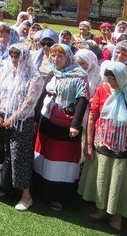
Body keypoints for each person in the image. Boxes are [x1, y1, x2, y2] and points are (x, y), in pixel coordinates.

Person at [78, 61, 127, 232]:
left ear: (123, 77)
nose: (111, 82)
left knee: (120, 184)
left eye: (114, 78)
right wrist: (89, 145)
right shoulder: (103, 90)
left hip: (126, 151)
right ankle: (101, 211)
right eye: (108, 78)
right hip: (103, 146)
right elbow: (92, 116)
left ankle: (117, 218)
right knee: (102, 179)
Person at [0, 44, 45, 211]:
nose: (13, 58)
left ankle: (26, 196)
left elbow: (30, 102)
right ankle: (4, 185)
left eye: (17, 55)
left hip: (21, 121)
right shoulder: (6, 69)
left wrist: (13, 118)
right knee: (2, 151)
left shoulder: (34, 76)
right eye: (11, 54)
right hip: (2, 117)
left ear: (24, 56)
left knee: (19, 155)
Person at [33, 43, 89, 210]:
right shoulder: (53, 73)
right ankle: (40, 189)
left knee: (59, 161)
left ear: (68, 57)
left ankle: (57, 196)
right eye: (54, 55)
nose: (56, 59)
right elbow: (43, 94)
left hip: (66, 125)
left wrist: (75, 125)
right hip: (46, 120)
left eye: (60, 56)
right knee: (44, 156)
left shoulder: (80, 76)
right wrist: (36, 118)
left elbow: (82, 100)